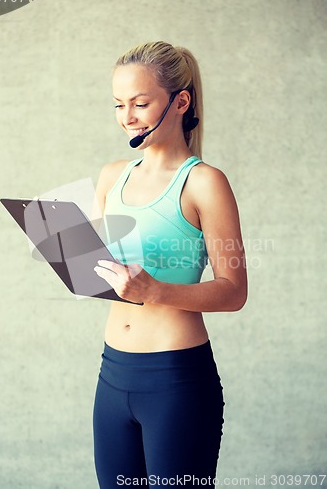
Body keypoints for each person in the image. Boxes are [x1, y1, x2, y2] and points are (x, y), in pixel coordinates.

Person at [92, 41, 247, 488]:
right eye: (119, 104)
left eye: (140, 103)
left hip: (175, 382)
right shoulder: (111, 176)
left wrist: (156, 291)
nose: (128, 116)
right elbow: (109, 269)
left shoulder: (204, 183)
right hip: (111, 376)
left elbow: (234, 290)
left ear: (180, 101)